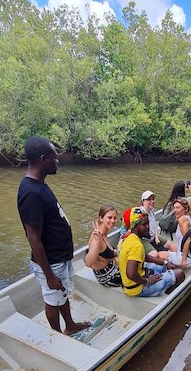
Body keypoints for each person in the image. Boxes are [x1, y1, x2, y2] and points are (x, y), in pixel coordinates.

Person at [17, 137, 90, 335]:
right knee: (52, 298)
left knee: (62, 294)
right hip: (51, 263)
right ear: (43, 159)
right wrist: (49, 275)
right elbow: (33, 239)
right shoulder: (31, 193)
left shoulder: (39, 185)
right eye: (54, 158)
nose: (57, 162)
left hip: (59, 257)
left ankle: (70, 325)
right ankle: (57, 334)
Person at [118, 207, 185, 297]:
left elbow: (145, 257)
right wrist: (148, 281)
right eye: (144, 225)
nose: (148, 227)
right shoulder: (136, 245)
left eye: (148, 223)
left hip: (130, 284)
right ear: (134, 229)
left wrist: (165, 262)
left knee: (167, 267)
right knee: (180, 274)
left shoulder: (129, 238)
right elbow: (130, 274)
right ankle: (166, 295)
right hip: (138, 288)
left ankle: (162, 283)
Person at [84, 205, 122, 287]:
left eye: (114, 218)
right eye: (109, 217)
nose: (113, 221)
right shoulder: (97, 238)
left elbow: (108, 253)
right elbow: (88, 263)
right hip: (109, 278)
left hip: (113, 268)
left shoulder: (104, 234)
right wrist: (97, 241)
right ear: (101, 218)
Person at [166, 197, 191, 269]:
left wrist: (183, 260)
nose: (175, 210)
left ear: (186, 209)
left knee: (158, 255)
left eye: (178, 208)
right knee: (170, 245)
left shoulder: (182, 220)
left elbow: (188, 240)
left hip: (187, 258)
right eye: (174, 208)